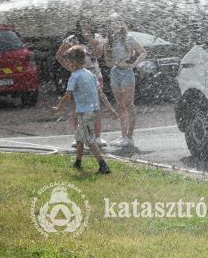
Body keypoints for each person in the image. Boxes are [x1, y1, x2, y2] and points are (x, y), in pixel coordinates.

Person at [52, 45, 117, 174]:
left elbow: (67, 95)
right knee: (79, 137)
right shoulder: (91, 75)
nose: (68, 65)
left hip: (85, 113)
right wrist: (111, 110)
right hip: (94, 111)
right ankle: (78, 162)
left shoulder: (74, 76)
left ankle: (103, 165)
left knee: (90, 140)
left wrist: (59, 107)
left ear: (74, 62)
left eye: (69, 62)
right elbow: (101, 94)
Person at [55, 19, 108, 147]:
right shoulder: (72, 39)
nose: (85, 26)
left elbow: (99, 54)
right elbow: (59, 55)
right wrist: (71, 68)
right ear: (78, 26)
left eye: (87, 23)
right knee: (77, 107)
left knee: (96, 106)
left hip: (94, 74)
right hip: (78, 75)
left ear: (91, 25)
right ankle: (78, 137)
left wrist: (90, 39)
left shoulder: (97, 37)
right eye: (82, 24)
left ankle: (97, 136)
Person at [105, 18, 145, 148]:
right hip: (115, 73)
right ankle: (123, 136)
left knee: (129, 104)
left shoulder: (128, 38)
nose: (114, 25)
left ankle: (130, 136)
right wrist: (117, 63)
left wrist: (133, 64)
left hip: (127, 73)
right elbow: (107, 62)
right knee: (120, 105)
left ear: (121, 24)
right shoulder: (108, 41)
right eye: (111, 23)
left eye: (116, 22)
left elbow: (143, 53)